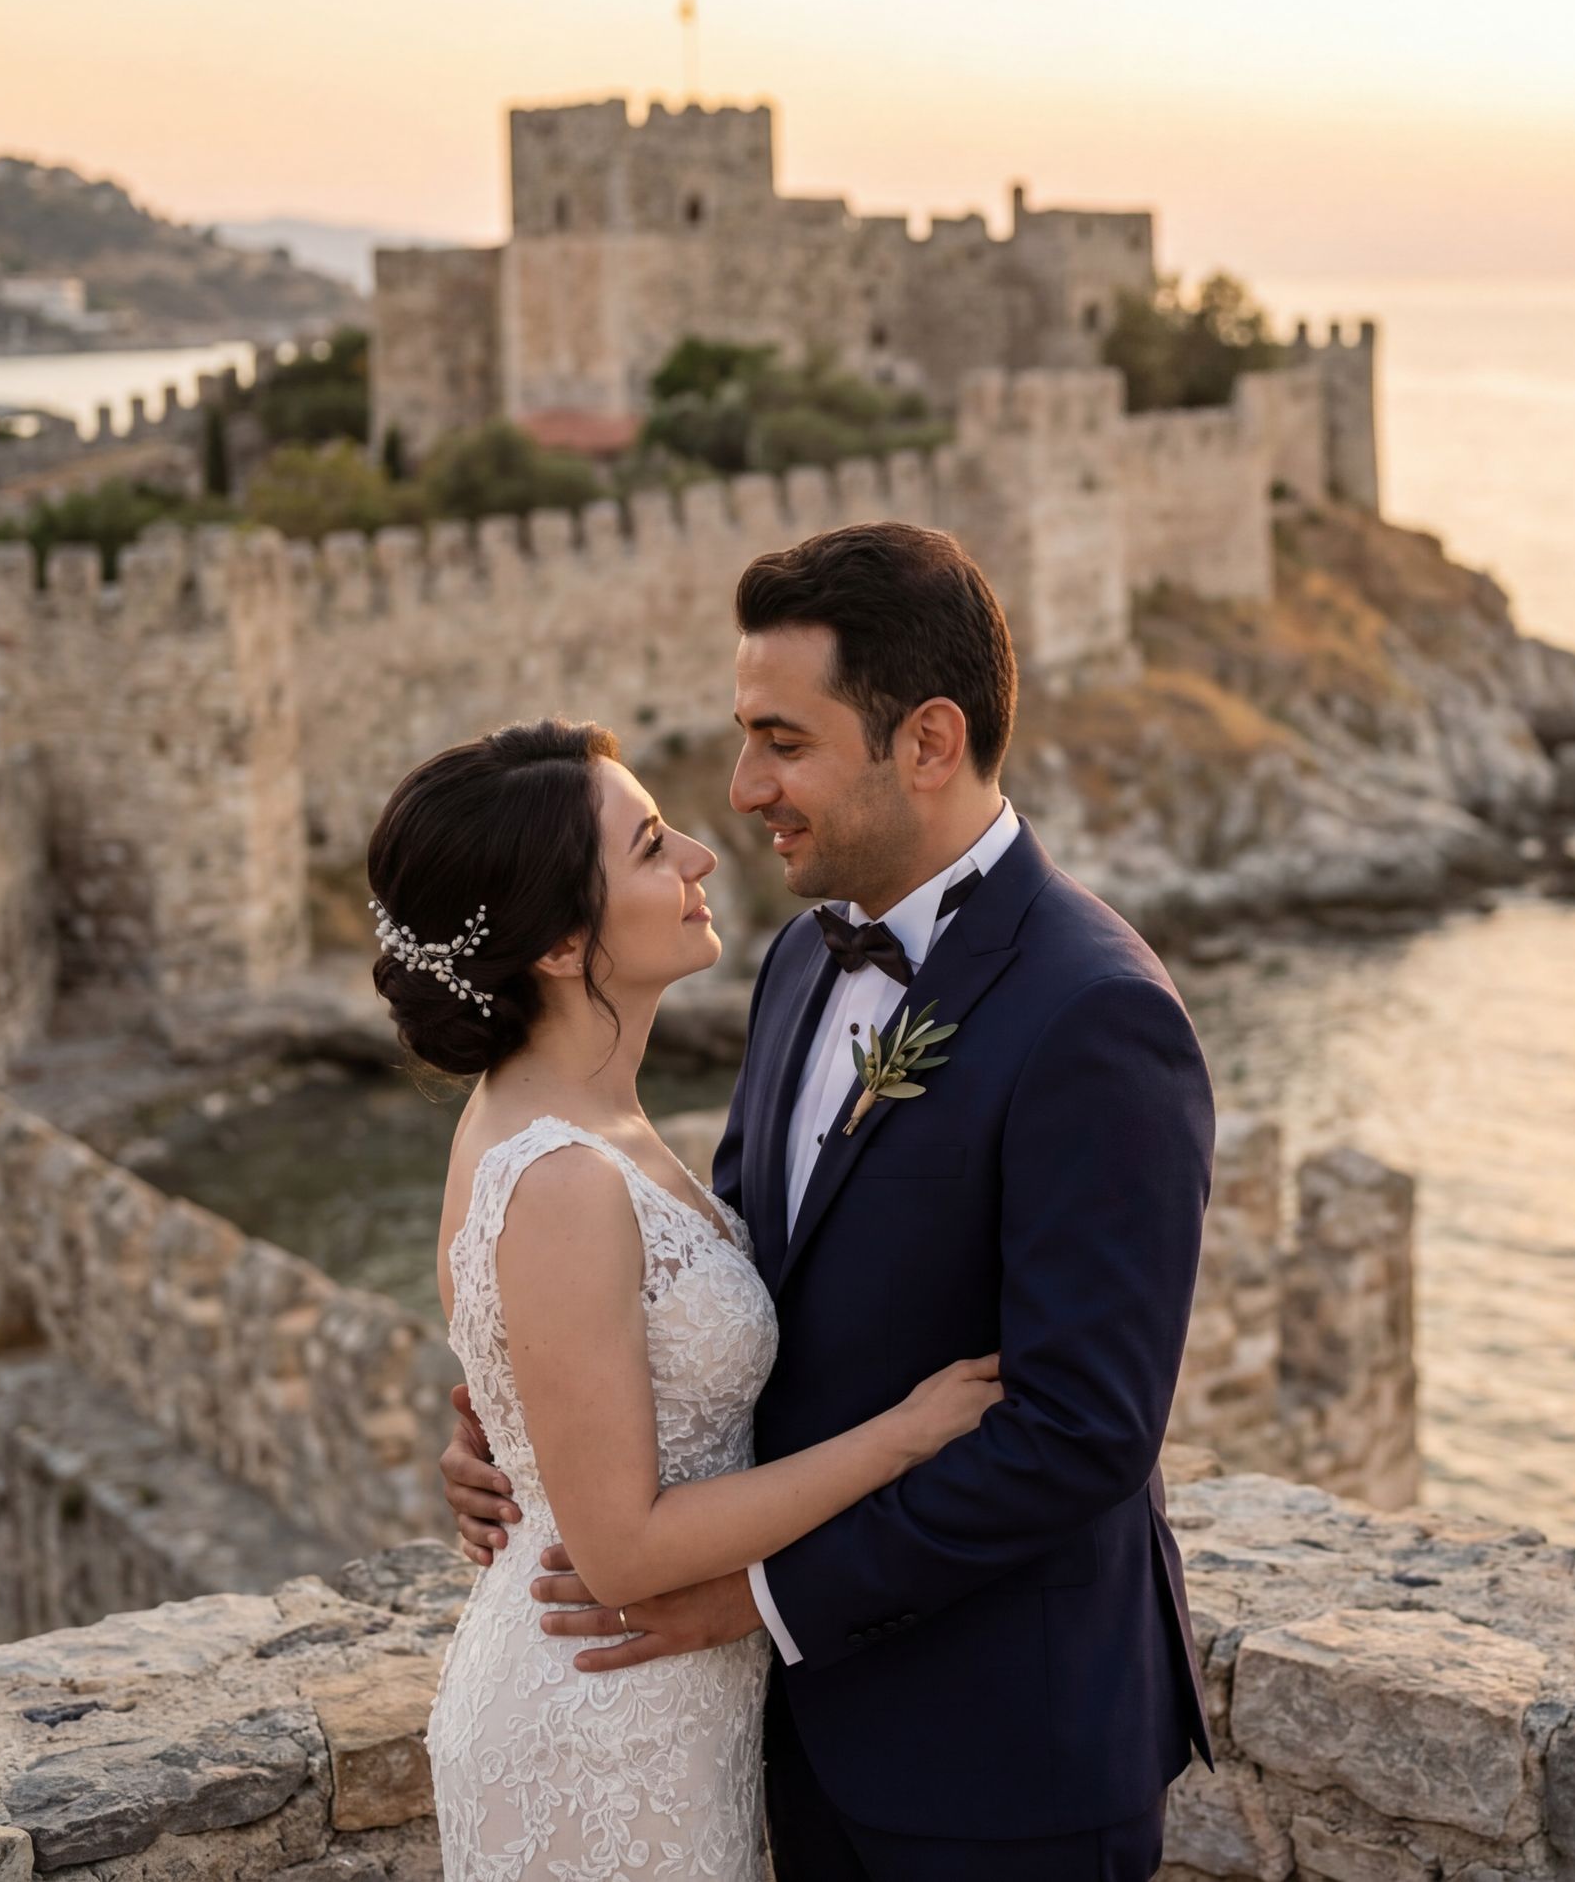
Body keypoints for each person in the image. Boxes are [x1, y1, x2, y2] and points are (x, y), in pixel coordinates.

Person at [441, 522, 1216, 1880]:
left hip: (1006, 1755)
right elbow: (747, 1282)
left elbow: (1081, 1431)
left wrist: (758, 1599)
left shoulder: (1095, 1014)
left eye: (782, 741)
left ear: (927, 741)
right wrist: (532, 1415)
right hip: (787, 1747)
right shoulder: (801, 961)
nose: (744, 789)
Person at [376, 716, 1005, 1882]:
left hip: (660, 1702)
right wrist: (908, 1435)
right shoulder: (563, 1176)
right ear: (562, 943)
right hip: (597, 1724)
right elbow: (622, 1551)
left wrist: (509, 1444)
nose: (702, 857)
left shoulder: (580, 1119)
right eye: (653, 846)